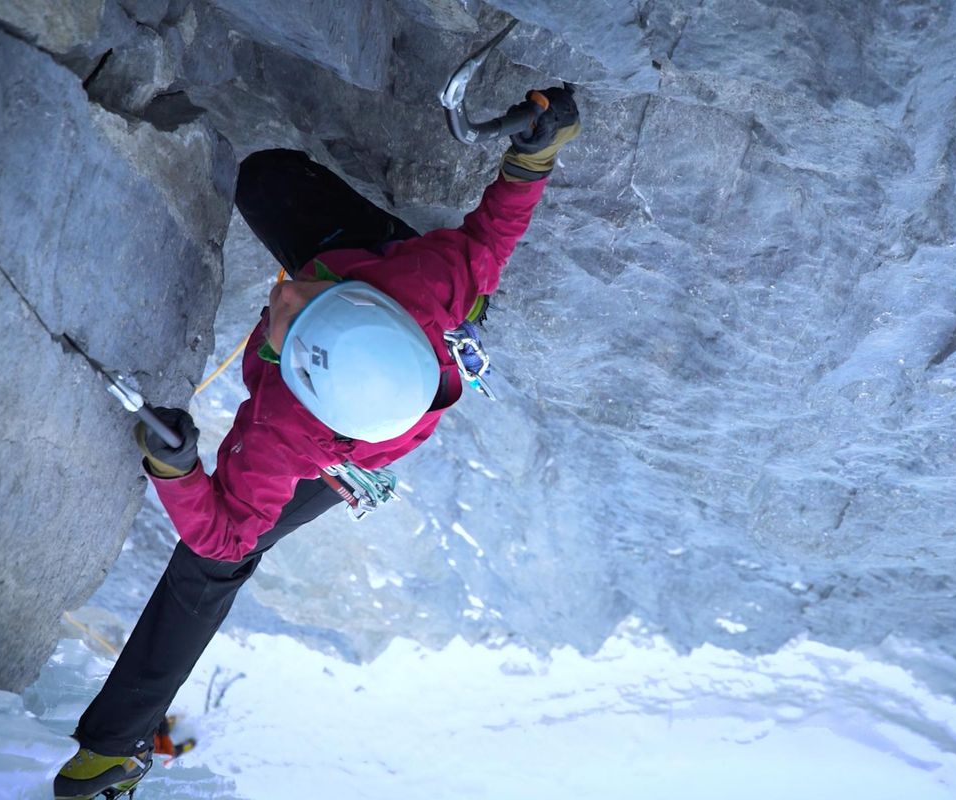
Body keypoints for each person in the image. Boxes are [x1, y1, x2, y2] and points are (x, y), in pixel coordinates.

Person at [53, 87, 580, 800]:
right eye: (305, 295)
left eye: (285, 317)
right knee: (265, 178)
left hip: (339, 446)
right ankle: (372, 276)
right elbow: (496, 231)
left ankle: (109, 753)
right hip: (387, 296)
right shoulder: (432, 279)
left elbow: (226, 537)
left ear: (293, 372)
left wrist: (174, 470)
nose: (281, 294)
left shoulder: (284, 428)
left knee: (208, 569)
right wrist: (533, 155)